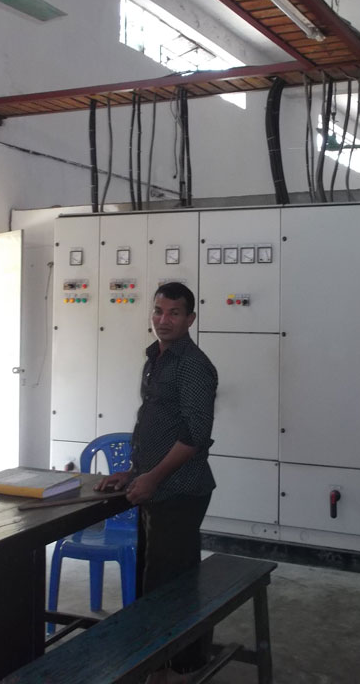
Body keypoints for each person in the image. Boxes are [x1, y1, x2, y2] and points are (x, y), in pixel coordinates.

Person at [95, 281, 217, 683]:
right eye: (159, 311)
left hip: (180, 490)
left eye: (174, 313)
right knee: (157, 580)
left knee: (168, 585)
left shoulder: (193, 365)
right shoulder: (155, 358)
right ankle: (165, 663)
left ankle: (172, 667)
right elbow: (156, 424)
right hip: (155, 486)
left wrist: (153, 476)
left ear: (190, 319)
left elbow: (194, 436)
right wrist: (134, 473)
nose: (164, 320)